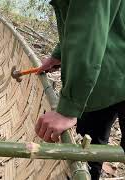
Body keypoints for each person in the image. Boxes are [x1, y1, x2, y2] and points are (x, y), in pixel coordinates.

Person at [34, 0, 125, 179]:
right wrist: (58, 55)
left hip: (103, 75)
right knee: (91, 146)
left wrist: (68, 109)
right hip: (104, 77)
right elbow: (86, 20)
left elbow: (88, 31)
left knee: (90, 146)